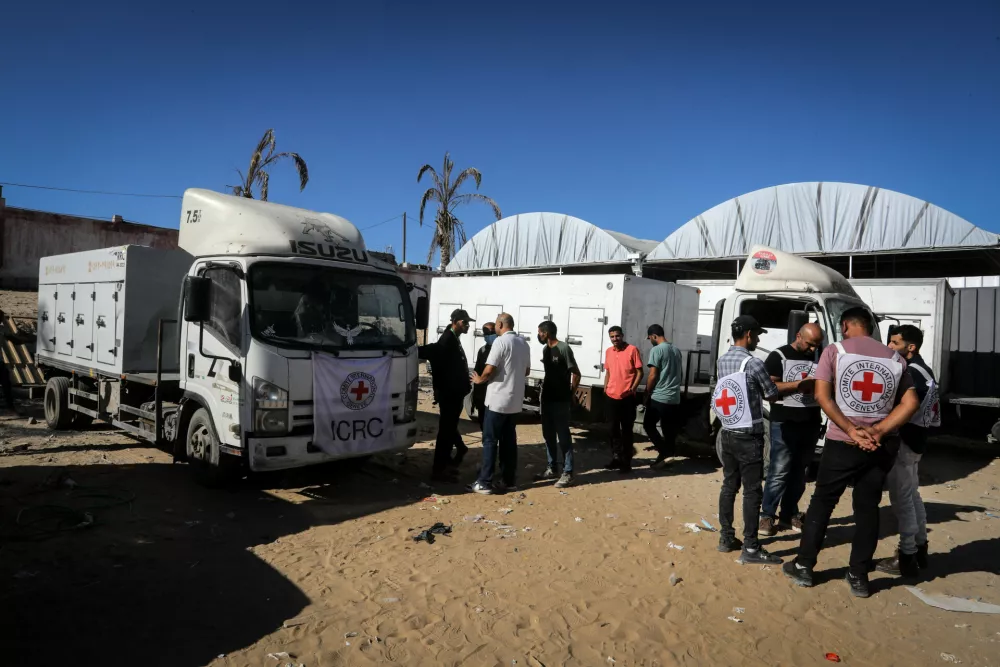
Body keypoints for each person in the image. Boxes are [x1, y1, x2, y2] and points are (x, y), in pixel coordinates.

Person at [783, 307, 920, 598]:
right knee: (867, 508)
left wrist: (851, 429)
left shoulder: (835, 351)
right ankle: (858, 576)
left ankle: (805, 566)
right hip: (880, 446)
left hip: (841, 442)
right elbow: (910, 404)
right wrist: (879, 431)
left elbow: (822, 395)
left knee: (822, 503)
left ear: (845, 325)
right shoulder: (895, 358)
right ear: (870, 327)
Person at [712, 315, 799, 566]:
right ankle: (750, 546)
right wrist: (794, 386)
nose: (758, 339)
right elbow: (771, 394)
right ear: (748, 335)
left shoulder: (723, 360)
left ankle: (726, 537)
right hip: (749, 435)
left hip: (728, 431)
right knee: (752, 491)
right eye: (757, 335)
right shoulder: (754, 363)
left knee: (729, 486)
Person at [877, 324, 940, 578]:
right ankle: (920, 548)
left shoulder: (911, 372)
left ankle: (906, 556)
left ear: (910, 347)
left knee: (902, 500)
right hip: (917, 442)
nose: (890, 347)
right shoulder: (924, 369)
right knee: (912, 496)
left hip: (905, 443)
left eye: (894, 343)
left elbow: (903, 409)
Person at [759, 322, 825, 536]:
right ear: (798, 335)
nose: (813, 349)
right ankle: (767, 516)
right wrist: (798, 385)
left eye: (817, 345)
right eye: (809, 344)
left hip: (811, 423)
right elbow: (769, 389)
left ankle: (789, 515)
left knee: (799, 473)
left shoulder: (820, 356)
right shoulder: (779, 356)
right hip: (784, 423)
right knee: (779, 471)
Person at [470, 313, 531, 494]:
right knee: (509, 443)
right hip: (514, 402)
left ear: (501, 324)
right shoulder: (523, 343)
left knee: (490, 441)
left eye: (496, 324)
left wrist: (480, 379)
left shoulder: (500, 342)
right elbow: (526, 371)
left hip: (497, 401)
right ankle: (508, 480)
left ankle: (485, 481)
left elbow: (489, 369)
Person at [418, 308, 474, 482]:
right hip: (450, 393)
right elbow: (436, 354)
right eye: (465, 322)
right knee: (446, 432)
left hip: (454, 392)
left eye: (468, 323)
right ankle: (439, 469)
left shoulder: (454, 339)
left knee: (449, 427)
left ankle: (448, 461)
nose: (468, 326)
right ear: (455, 321)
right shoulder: (448, 339)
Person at [536, 320, 581, 488]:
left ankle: (568, 472)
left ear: (546, 333)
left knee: (563, 436)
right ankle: (552, 467)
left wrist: (570, 394)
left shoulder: (563, 348)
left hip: (560, 400)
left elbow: (576, 373)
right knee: (548, 435)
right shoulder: (545, 349)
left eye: (540, 332)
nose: (538, 335)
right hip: (546, 397)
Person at [643, 324, 684, 469]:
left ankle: (666, 453)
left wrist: (647, 393)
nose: (650, 341)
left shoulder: (656, 350)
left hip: (660, 396)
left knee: (648, 425)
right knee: (668, 430)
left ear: (654, 336)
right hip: (674, 397)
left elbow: (653, 375)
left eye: (650, 338)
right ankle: (667, 458)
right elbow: (680, 373)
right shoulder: (676, 350)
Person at [603, 326, 643, 474]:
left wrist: (633, 388)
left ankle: (626, 463)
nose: (615, 339)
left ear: (622, 336)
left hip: (627, 398)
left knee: (626, 431)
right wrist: (605, 387)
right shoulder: (608, 352)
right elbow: (608, 371)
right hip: (611, 396)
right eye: (612, 336)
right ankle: (616, 457)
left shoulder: (632, 350)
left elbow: (640, 371)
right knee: (612, 430)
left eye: (617, 336)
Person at [472, 322, 497, 430]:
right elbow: (477, 373)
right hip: (482, 393)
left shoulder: (500, 349)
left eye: (492, 332)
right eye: (486, 332)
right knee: (483, 423)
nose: (489, 335)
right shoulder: (482, 350)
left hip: (495, 393)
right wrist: (475, 395)